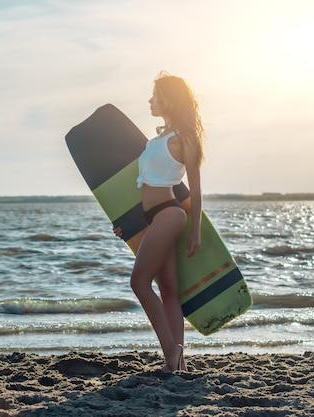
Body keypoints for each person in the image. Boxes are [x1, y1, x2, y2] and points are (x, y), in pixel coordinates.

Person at [114, 71, 205, 372]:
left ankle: (170, 351)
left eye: (155, 94)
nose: (150, 100)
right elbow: (141, 186)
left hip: (169, 213)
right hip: (153, 217)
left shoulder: (183, 139)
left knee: (138, 282)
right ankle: (178, 364)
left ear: (168, 98)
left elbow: (195, 187)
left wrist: (196, 232)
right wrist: (127, 226)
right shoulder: (158, 138)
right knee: (167, 288)